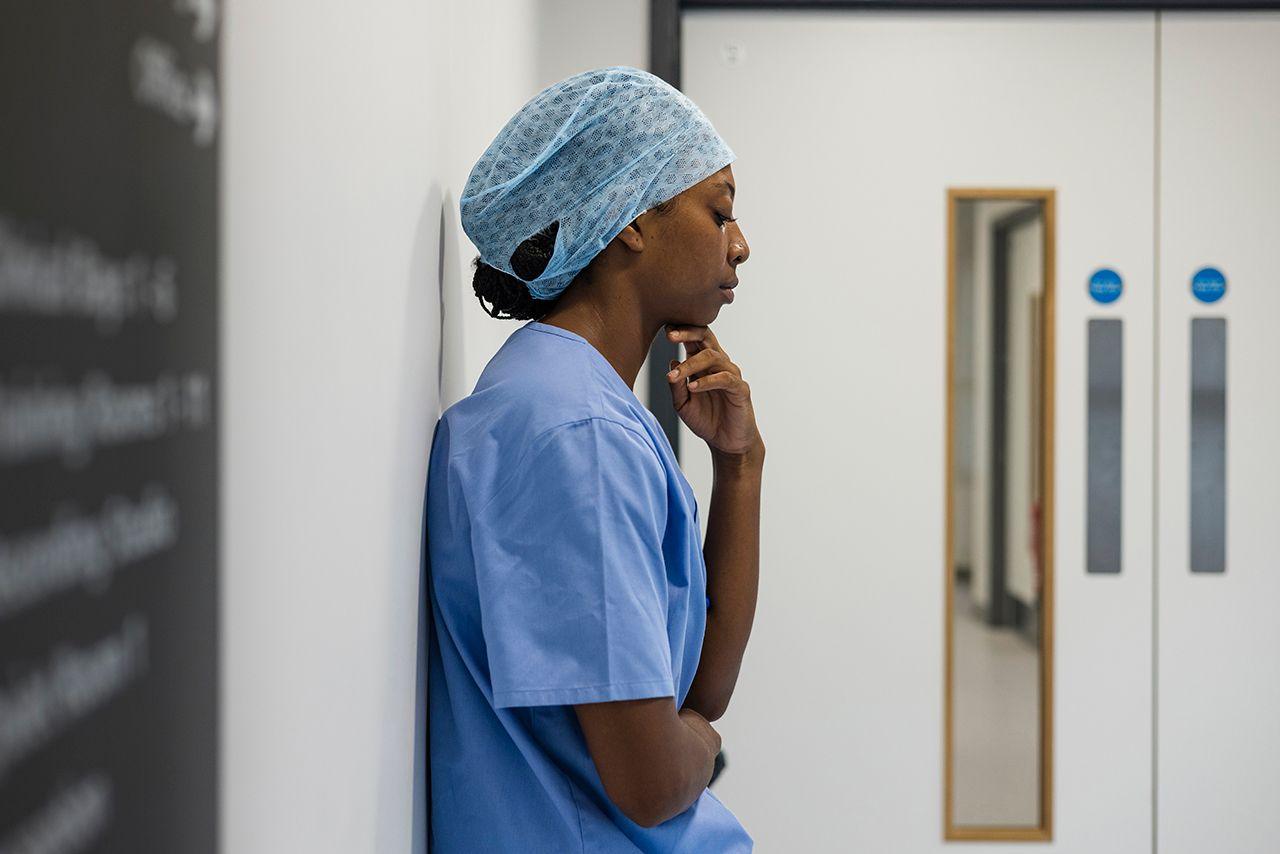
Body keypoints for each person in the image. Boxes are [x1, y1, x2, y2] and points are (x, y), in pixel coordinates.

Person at [424, 66, 761, 852]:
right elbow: (651, 785)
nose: (740, 247)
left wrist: (739, 468)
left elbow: (702, 688)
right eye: (719, 213)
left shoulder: (570, 402)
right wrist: (701, 746)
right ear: (630, 218)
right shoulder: (576, 434)